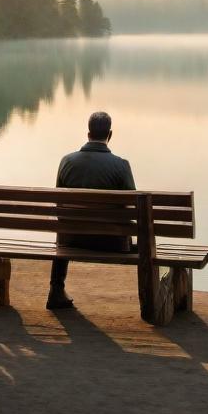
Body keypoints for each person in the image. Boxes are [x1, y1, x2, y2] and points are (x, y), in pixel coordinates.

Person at [47, 110, 136, 310]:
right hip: (111, 243)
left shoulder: (66, 162)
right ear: (110, 135)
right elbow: (133, 207)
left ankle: (56, 289)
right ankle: (149, 300)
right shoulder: (121, 166)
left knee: (65, 227)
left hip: (71, 240)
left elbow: (60, 204)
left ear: (88, 134)